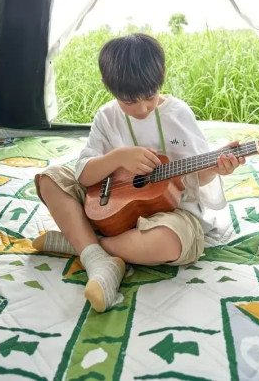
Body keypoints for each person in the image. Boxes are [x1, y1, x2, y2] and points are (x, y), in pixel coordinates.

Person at [32, 33, 245, 312]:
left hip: (170, 214)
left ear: (161, 78)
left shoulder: (179, 114)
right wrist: (118, 157)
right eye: (129, 101)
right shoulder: (107, 117)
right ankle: (101, 254)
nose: (142, 108)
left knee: (169, 243)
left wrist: (216, 169)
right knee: (51, 179)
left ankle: (86, 247)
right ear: (108, 86)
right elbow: (84, 175)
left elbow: (198, 178)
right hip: (112, 211)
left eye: (149, 97)